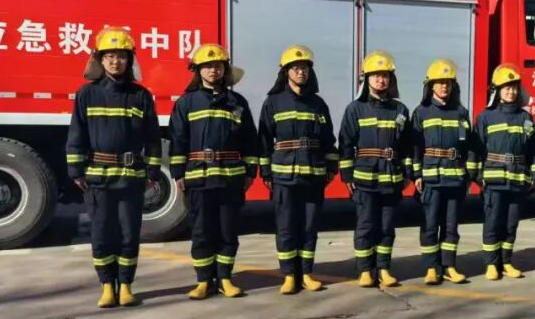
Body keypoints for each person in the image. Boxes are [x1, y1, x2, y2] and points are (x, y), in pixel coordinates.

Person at [66, 27, 162, 308]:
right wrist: (76, 170)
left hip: (131, 178)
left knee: (129, 234)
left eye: (121, 56)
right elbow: (76, 134)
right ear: (100, 60)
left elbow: (152, 137)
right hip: (98, 178)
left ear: (129, 60)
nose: (115, 62)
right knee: (101, 233)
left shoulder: (141, 96)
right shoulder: (86, 94)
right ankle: (107, 286)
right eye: (109, 56)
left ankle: (126, 286)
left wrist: (153, 170)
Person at [169, 44, 258, 300]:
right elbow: (178, 140)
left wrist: (250, 170)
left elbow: (249, 140)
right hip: (199, 178)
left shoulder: (237, 103)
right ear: (198, 71)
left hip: (230, 178)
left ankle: (225, 279)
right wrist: (178, 173)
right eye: (207, 66)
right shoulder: (186, 103)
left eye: (218, 66)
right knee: (201, 231)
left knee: (228, 231)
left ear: (225, 70)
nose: (213, 70)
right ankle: (203, 281)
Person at [257, 45, 339, 295]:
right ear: (286, 72)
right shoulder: (273, 103)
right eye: (295, 68)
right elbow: (263, 141)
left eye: (304, 68)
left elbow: (328, 139)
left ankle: (306, 273)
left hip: (313, 175)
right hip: (284, 176)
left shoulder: (318, 104)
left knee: (309, 227)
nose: (300, 72)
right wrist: (266, 173)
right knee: (286, 227)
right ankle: (289, 276)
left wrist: (331, 167)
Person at [338, 51, 412, 289]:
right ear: (366, 79)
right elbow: (346, 144)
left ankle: (384, 269)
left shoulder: (400, 110)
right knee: (366, 226)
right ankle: (365, 271)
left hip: (391, 179)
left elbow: (407, 146)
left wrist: (407, 174)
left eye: (385, 76)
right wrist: (347, 175)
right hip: (365, 180)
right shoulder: (355, 109)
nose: (381, 80)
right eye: (376, 75)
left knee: (387, 227)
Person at [412, 59, 477, 285]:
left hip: (455, 178)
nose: (444, 86)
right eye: (439, 82)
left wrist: (469, 175)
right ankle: (432, 267)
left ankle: (449, 266)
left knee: (451, 226)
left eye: (448, 82)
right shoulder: (421, 112)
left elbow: (469, 146)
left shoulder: (461, 112)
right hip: (431, 178)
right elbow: (415, 147)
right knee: (430, 224)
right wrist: (417, 175)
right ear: (431, 85)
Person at [473, 63, 535, 280]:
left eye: (514, 88)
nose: (511, 92)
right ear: (497, 91)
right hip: (493, 180)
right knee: (493, 222)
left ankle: (506, 262)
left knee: (511, 224)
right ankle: (491, 264)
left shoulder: (526, 118)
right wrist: (478, 176)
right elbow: (476, 149)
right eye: (506, 88)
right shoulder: (486, 117)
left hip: (517, 180)